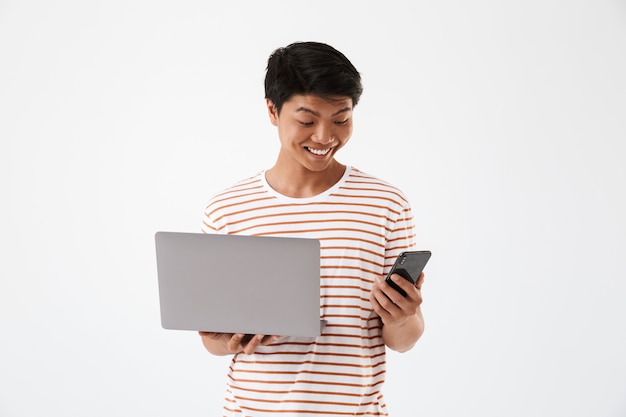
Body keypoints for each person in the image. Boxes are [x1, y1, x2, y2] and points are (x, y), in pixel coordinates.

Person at [199, 41, 425, 416]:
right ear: (273, 110)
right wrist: (227, 339)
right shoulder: (227, 210)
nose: (324, 137)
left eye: (341, 119)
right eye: (306, 121)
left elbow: (403, 341)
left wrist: (403, 316)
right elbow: (213, 342)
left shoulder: (386, 204)